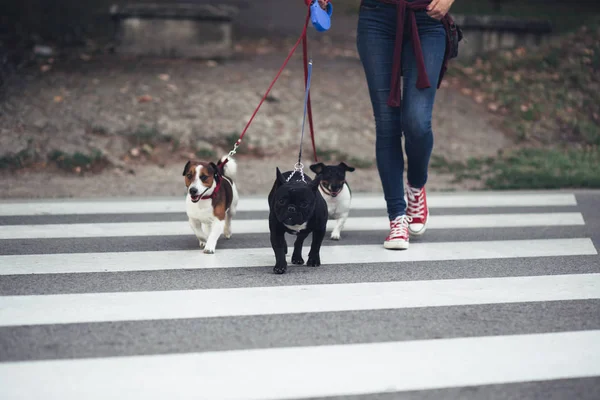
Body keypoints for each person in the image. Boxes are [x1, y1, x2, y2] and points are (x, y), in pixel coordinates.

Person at [318, 0, 455, 250]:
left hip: (427, 17)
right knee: (386, 122)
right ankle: (397, 217)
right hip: (376, 18)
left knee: (417, 121)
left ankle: (415, 186)